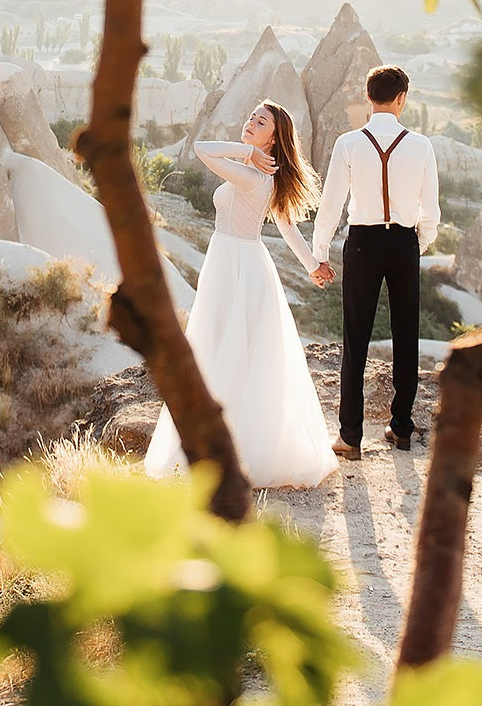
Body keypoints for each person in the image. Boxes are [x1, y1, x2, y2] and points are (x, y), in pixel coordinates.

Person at [144, 100, 339, 488]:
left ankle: (231, 449)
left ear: (274, 137)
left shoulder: (253, 176)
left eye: (260, 121)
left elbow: (201, 149)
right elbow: (286, 225)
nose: (250, 122)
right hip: (236, 263)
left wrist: (246, 150)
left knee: (225, 349)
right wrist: (312, 265)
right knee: (225, 349)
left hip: (237, 266)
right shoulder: (259, 174)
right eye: (251, 116)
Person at [310, 65, 440, 459]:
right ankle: (401, 427)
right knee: (406, 334)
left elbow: (331, 204)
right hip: (404, 243)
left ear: (368, 97)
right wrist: (421, 241)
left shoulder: (349, 143)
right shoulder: (421, 146)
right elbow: (430, 210)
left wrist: (320, 253)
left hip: (363, 243)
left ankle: (350, 436)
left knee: (356, 339)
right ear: (402, 98)